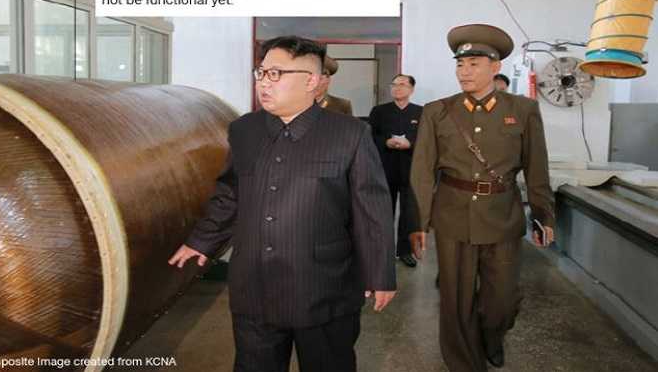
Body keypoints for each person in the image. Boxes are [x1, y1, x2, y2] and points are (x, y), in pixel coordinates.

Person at [169, 35, 396, 372]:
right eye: (261, 72)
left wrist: (379, 273)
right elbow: (230, 193)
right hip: (254, 286)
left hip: (323, 287)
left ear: (311, 81)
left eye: (276, 74)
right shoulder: (244, 130)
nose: (264, 82)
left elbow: (372, 210)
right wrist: (202, 240)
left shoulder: (350, 134)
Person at [410, 24, 555, 371]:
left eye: (474, 64)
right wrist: (419, 223)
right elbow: (422, 171)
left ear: (495, 67)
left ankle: (492, 336)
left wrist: (543, 215)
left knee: (501, 302)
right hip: (452, 216)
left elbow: (536, 168)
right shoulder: (437, 111)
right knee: (455, 301)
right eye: (460, 64)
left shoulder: (523, 110)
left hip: (502, 216)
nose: (464, 71)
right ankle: (465, 363)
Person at [368, 74, 423, 268]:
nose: (397, 88)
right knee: (383, 211)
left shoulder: (420, 112)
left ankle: (405, 251)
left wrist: (410, 143)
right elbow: (370, 136)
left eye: (402, 85)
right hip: (384, 167)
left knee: (409, 214)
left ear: (411, 89)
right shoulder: (379, 111)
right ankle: (382, 250)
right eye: (394, 84)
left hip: (410, 169)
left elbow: (425, 138)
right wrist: (386, 142)